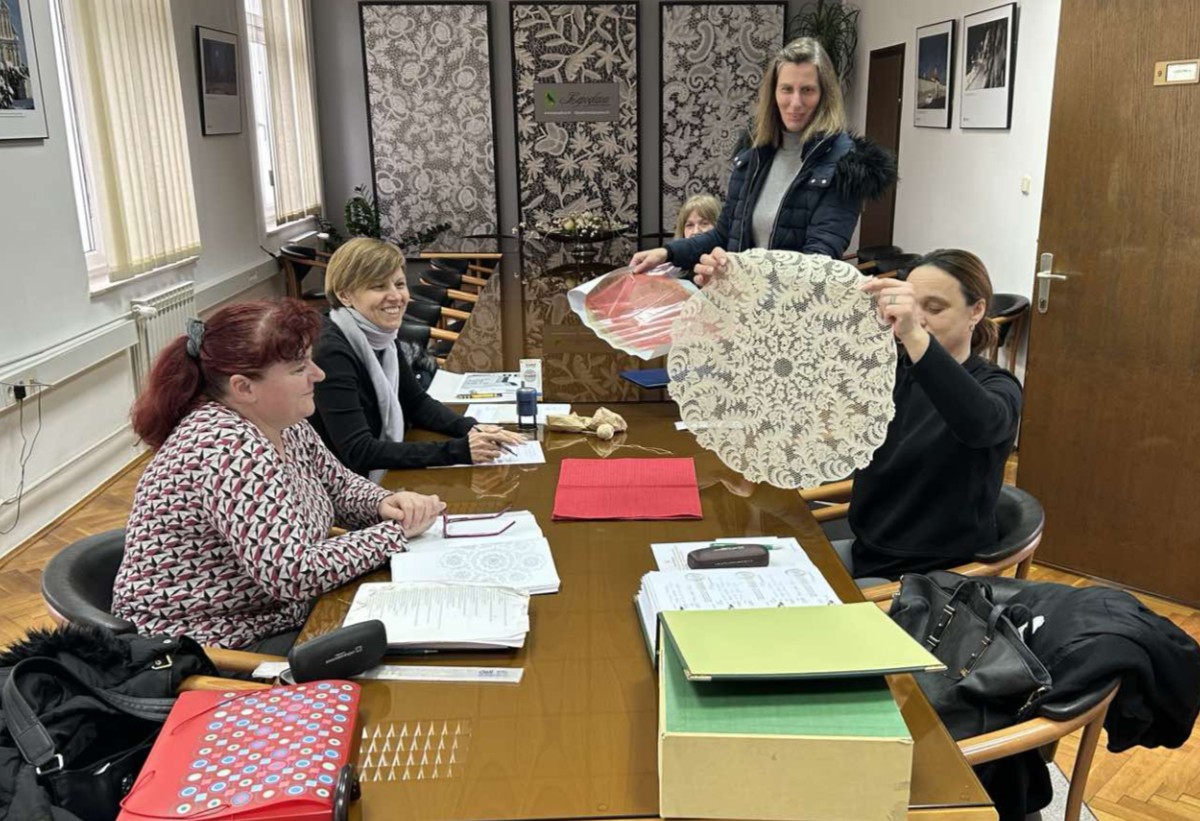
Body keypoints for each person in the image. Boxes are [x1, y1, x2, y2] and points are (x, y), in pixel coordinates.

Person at [112, 299, 446, 652]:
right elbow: (292, 574)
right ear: (243, 387)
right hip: (209, 644)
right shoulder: (225, 448)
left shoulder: (282, 422)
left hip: (277, 615)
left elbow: (338, 486)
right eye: (299, 368)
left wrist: (384, 503)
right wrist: (394, 534)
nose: (318, 374)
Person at [631, 37, 896, 284]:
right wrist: (667, 253)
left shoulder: (845, 163)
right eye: (786, 89)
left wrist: (736, 275)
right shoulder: (753, 151)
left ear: (825, 95)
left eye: (807, 90)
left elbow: (817, 263)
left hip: (791, 309)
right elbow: (725, 233)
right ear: (773, 93)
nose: (795, 102)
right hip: (740, 301)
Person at [831, 249, 1022, 579]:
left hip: (927, 579)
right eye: (911, 306)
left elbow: (980, 424)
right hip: (868, 551)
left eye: (933, 309)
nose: (917, 319)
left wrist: (912, 334)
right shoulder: (890, 374)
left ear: (976, 310)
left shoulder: (998, 387)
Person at [310, 238, 523, 480]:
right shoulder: (330, 352)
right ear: (345, 296)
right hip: (341, 486)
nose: (396, 296)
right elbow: (359, 451)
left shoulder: (378, 332)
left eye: (399, 284)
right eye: (378, 287)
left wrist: (471, 427)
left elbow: (416, 403)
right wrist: (459, 450)